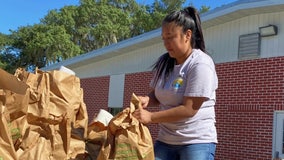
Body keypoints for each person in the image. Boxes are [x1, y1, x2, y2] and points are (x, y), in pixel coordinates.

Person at [133, 6, 218, 160]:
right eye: (164, 38)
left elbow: (189, 109)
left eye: (170, 37)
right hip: (166, 141)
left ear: (187, 35)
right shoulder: (164, 62)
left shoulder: (201, 64)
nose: (166, 43)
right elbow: (158, 94)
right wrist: (147, 99)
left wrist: (151, 117)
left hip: (196, 142)